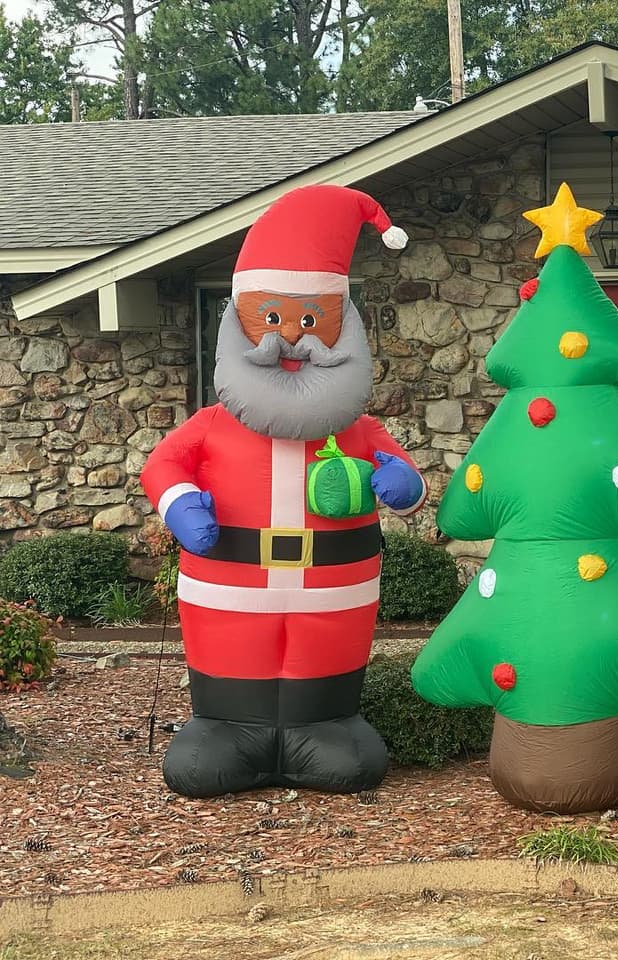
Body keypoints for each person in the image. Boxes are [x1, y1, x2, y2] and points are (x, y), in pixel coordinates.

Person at [142, 185, 426, 798]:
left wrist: (404, 485)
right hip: (229, 588)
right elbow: (162, 465)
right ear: (241, 324)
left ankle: (322, 723)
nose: (292, 337)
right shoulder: (211, 425)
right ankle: (227, 725)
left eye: (312, 320)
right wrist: (179, 502)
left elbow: (405, 477)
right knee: (229, 675)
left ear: (343, 327)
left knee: (328, 686)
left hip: (334, 593)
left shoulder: (357, 429)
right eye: (272, 319)